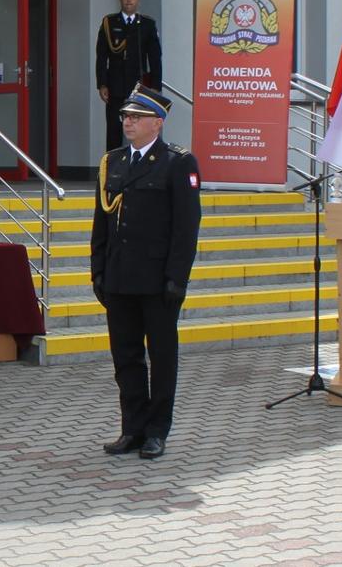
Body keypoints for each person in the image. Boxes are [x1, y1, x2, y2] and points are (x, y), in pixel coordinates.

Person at [90, 84, 200, 460]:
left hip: (157, 281)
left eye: (136, 117)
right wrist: (98, 271)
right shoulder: (114, 161)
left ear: (158, 122)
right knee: (126, 357)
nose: (128, 122)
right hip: (120, 278)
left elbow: (186, 228)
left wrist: (177, 278)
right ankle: (132, 429)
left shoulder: (177, 162)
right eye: (125, 116)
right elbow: (101, 223)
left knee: (162, 357)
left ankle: (157, 431)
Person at [94, 0, 162, 152]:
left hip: (138, 87)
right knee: (114, 131)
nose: (129, 0)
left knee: (140, 130)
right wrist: (102, 83)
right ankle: (111, 171)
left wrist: (155, 86)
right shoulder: (109, 23)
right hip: (115, 85)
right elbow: (101, 56)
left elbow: (155, 58)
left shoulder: (147, 24)